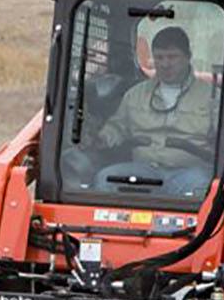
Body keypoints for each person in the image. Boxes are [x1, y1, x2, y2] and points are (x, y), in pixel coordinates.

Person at [89, 25, 217, 197]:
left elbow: (221, 140)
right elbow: (117, 127)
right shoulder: (135, 95)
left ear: (188, 56)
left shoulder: (210, 97)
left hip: (190, 173)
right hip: (144, 171)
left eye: (172, 57)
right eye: (159, 57)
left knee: (205, 188)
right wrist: (101, 138)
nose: (165, 64)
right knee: (105, 180)